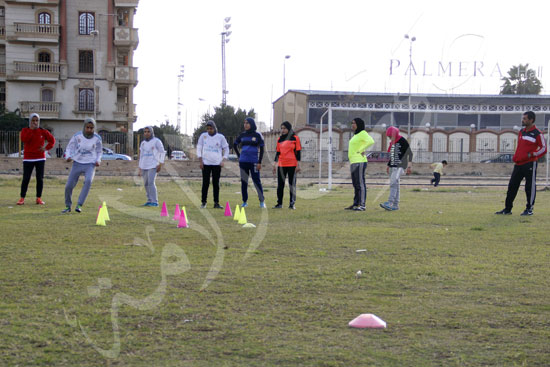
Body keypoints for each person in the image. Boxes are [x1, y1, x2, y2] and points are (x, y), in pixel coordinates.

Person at [496, 111, 547, 216]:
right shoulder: (521, 131)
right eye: (523, 118)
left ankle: (529, 209)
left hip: (530, 164)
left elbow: (544, 148)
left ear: (531, 120)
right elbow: (520, 147)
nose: (522, 120)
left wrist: (532, 154)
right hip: (518, 164)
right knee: (512, 186)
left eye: (524, 119)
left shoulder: (538, 133)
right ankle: (507, 209)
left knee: (530, 187)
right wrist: (516, 156)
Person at [62, 118, 103, 213]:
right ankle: (68, 206)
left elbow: (99, 151)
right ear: (84, 127)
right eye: (87, 127)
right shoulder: (77, 136)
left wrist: (98, 160)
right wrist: (68, 156)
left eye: (91, 128)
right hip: (77, 162)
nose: (89, 130)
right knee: (68, 186)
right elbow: (69, 148)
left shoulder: (97, 138)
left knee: (88, 181)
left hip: (90, 164)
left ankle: (79, 204)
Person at [16, 113, 55, 205]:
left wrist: (45, 148)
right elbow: (24, 139)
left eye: (36, 121)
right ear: (30, 121)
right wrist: (31, 130)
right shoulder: (25, 130)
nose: (35, 122)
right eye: (33, 121)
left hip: (40, 158)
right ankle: (22, 198)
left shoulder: (43, 131)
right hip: (28, 158)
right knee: (26, 178)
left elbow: (52, 140)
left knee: (40, 179)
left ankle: (38, 198)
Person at [233, 117, 266, 208]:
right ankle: (244, 202)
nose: (245, 124)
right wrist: (239, 156)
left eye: (247, 123)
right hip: (243, 162)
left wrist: (259, 162)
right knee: (244, 182)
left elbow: (262, 148)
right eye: (244, 123)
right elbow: (235, 144)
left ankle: (262, 201)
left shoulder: (257, 135)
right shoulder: (242, 135)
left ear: (251, 124)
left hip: (254, 162)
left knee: (256, 181)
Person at [196, 120, 229, 209]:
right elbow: (199, 148)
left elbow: (226, 149)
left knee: (216, 183)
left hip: (216, 164)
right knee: (205, 183)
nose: (209, 130)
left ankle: (216, 203)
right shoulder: (203, 136)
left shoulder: (220, 137)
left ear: (214, 128)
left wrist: (223, 160)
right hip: (205, 163)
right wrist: (200, 160)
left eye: (211, 128)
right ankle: (203, 202)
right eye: (208, 129)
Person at [380, 126, 413, 211]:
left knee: (393, 183)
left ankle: (390, 203)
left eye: (391, 136)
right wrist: (388, 165)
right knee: (396, 185)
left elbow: (410, 153)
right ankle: (395, 205)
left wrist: (409, 166)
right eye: (389, 137)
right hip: (393, 166)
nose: (390, 138)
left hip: (400, 166)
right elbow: (392, 155)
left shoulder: (402, 140)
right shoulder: (392, 143)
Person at [345, 118, 374, 211]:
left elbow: (371, 141)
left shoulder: (363, 133)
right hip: (353, 162)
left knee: (360, 183)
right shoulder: (356, 135)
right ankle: (356, 204)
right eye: (352, 123)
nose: (352, 125)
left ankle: (362, 205)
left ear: (359, 124)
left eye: (354, 123)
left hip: (360, 161)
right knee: (355, 184)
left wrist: (361, 149)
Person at [272, 121, 302, 209]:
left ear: (289, 128)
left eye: (284, 128)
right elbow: (278, 153)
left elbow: (298, 152)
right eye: (282, 128)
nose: (283, 130)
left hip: (292, 164)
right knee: (280, 185)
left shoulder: (295, 138)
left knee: (291, 184)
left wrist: (298, 165)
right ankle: (279, 203)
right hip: (281, 165)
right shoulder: (279, 139)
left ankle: (292, 204)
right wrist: (274, 164)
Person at [138, 126, 165, 207]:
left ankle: (154, 201)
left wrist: (160, 164)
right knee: (146, 183)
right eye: (145, 132)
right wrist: (140, 167)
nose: (146, 133)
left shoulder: (157, 141)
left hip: (153, 165)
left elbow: (162, 152)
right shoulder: (143, 143)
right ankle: (149, 200)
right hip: (144, 165)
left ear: (151, 132)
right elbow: (141, 155)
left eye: (148, 131)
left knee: (151, 182)